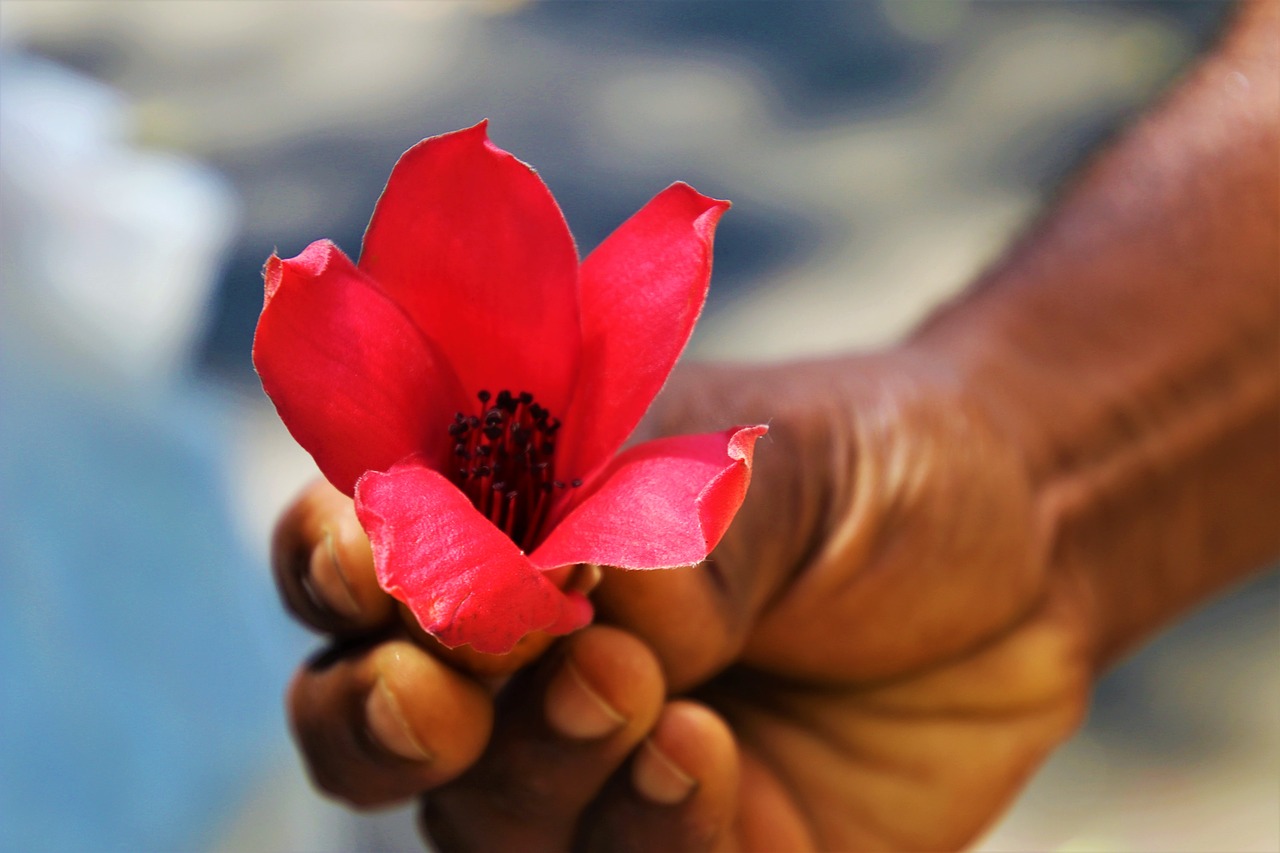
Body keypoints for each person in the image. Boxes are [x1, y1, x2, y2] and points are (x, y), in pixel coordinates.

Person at [268, 2, 1277, 850]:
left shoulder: (628, 498)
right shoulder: (418, 418)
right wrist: (1037, 482)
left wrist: (1042, 487)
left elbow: (658, 312)